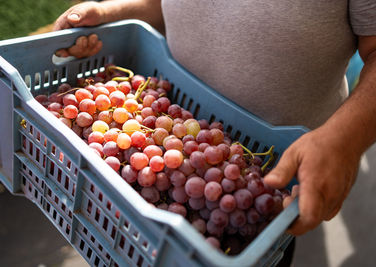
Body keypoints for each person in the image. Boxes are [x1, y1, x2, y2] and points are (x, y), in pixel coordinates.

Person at [53, 0, 376, 256]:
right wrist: (110, 13)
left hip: (268, 168)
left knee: (244, 233)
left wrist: (343, 140)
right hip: (175, 124)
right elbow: (166, 5)